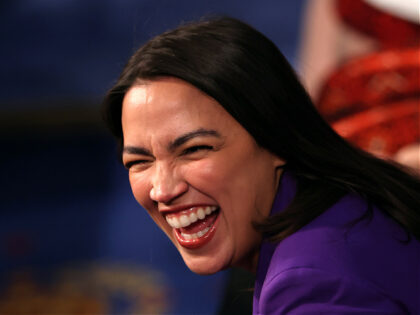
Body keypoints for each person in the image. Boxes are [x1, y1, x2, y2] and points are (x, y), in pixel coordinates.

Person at [103, 17, 420, 314]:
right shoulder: (347, 201)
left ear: (275, 137)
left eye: (194, 149)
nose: (162, 189)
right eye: (140, 161)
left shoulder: (310, 287)